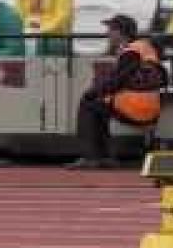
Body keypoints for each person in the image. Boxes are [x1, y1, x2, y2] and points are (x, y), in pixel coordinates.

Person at [68, 14, 164, 168]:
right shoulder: (144, 47)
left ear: (121, 32)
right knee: (100, 105)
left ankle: (90, 156)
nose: (108, 33)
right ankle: (105, 156)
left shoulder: (131, 52)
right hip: (151, 106)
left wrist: (93, 90)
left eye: (111, 29)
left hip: (137, 107)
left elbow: (117, 82)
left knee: (88, 103)